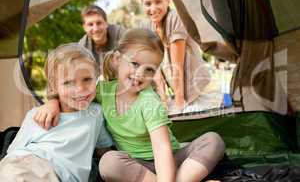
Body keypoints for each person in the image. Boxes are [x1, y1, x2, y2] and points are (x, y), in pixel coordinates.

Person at [34, 28, 225, 182]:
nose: (140, 74)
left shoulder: (149, 102)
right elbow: (75, 96)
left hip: (171, 158)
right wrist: (52, 102)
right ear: (117, 60)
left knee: (213, 140)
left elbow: (161, 149)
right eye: (134, 64)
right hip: (137, 167)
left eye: (149, 69)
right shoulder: (103, 91)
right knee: (108, 162)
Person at [0, 43, 113, 182]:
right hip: (26, 163)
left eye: (87, 79)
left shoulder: (96, 112)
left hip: (61, 174)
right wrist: (52, 102)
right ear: (54, 86)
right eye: (68, 83)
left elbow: (104, 148)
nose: (80, 88)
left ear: (96, 77)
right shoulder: (38, 115)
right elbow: (13, 151)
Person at [140, 0, 212, 112]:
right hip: (178, 92)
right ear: (142, 4)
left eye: (158, 2)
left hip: (196, 88)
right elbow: (155, 68)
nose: (153, 8)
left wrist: (179, 102)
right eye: (148, 3)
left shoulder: (174, 18)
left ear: (168, 1)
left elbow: (177, 65)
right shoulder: (148, 28)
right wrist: (163, 99)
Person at [79, 5, 125, 76]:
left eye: (99, 23)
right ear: (85, 28)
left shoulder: (120, 33)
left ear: (106, 23)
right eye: (90, 24)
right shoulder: (82, 47)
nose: (95, 29)